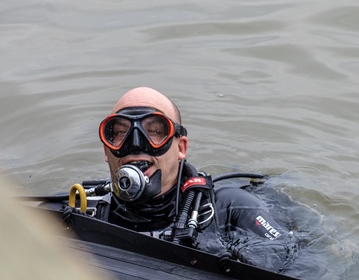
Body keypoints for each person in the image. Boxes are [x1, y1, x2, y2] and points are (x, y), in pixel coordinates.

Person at [93, 87, 296, 270]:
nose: (135, 144)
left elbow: (298, 268)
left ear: (181, 148)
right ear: (106, 150)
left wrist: (222, 260)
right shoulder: (87, 213)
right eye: (120, 132)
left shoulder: (232, 208)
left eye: (154, 131)